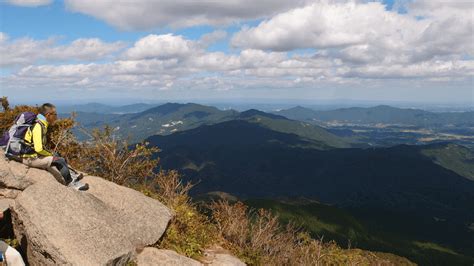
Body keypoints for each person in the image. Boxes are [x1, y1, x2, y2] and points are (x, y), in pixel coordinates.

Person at [21, 103, 88, 191]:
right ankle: (71, 184)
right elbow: (39, 149)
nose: (56, 116)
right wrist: (50, 154)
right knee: (59, 160)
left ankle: (71, 174)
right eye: (55, 114)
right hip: (30, 158)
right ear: (48, 115)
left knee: (56, 154)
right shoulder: (38, 126)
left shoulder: (41, 123)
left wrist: (51, 154)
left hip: (33, 155)